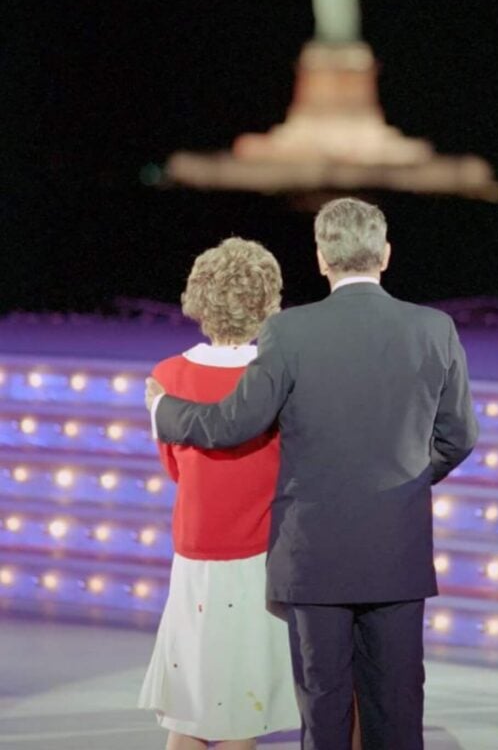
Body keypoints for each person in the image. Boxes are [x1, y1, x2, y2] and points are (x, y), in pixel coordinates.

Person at [146, 198, 478, 750]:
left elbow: (234, 424)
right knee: (396, 706)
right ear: (386, 254)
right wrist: (406, 483)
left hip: (314, 554)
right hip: (395, 548)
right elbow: (459, 437)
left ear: (322, 258)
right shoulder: (434, 328)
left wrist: (164, 411)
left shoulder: (291, 332)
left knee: (323, 711)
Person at [138, 237, 300, 750]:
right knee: (237, 707)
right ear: (266, 300)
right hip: (257, 553)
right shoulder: (279, 376)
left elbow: (175, 469)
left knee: (190, 708)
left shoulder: (169, 376)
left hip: (196, 550)